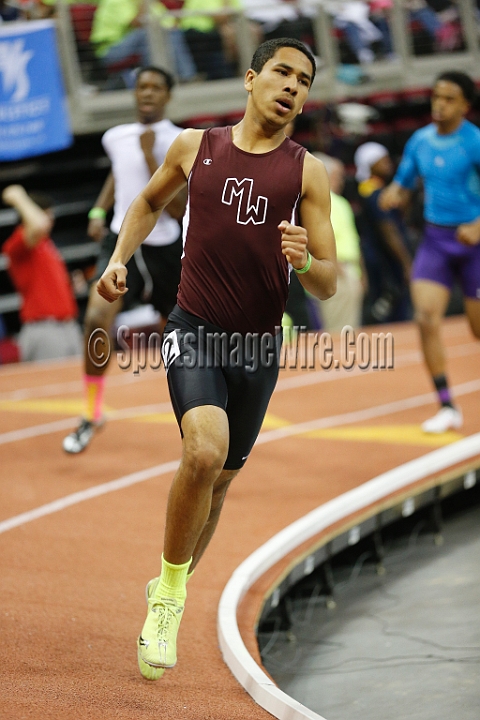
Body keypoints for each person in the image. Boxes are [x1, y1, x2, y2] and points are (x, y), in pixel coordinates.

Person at [97, 37, 336, 680]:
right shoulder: (194, 147)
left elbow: (329, 282)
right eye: (282, 72)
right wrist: (119, 261)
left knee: (222, 478)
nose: (292, 86)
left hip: (258, 346)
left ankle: (168, 581)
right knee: (203, 451)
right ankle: (171, 597)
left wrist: (305, 259)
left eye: (304, 80)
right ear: (252, 77)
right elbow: (146, 203)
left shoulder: (307, 172)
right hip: (195, 327)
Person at [62, 65, 186, 454]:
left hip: (167, 248)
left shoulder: (181, 140)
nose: (147, 93)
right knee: (97, 320)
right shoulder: (115, 137)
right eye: (141, 87)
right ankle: (91, 411)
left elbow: (178, 210)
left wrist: (152, 156)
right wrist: (100, 211)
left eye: (156, 88)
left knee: (184, 336)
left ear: (168, 96)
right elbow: (119, 174)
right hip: (122, 244)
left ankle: (201, 412)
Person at [380, 71, 480, 433]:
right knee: (425, 317)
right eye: (436, 96)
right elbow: (403, 183)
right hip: (436, 241)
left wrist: (478, 225)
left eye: (449, 98)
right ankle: (447, 405)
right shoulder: (420, 141)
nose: (439, 104)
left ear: (465, 105)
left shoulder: (474, 142)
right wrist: (395, 193)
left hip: (474, 246)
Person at [1, 186, 83, 362]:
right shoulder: (17, 244)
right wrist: (18, 197)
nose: (50, 219)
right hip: (45, 330)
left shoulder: (46, 245)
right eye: (46, 214)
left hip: (67, 326)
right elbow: (38, 224)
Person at [355, 141, 413, 325]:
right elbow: (388, 230)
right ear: (371, 164)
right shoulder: (374, 193)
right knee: (392, 317)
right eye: (383, 160)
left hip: (381, 261)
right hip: (385, 264)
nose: (389, 163)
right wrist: (406, 263)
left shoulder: (373, 190)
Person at [313, 152, 366, 331]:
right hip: (337, 271)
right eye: (337, 176)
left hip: (347, 270)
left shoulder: (339, 202)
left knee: (347, 327)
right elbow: (316, 239)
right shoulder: (321, 201)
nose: (341, 180)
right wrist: (336, 266)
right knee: (339, 330)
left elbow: (353, 241)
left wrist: (359, 273)